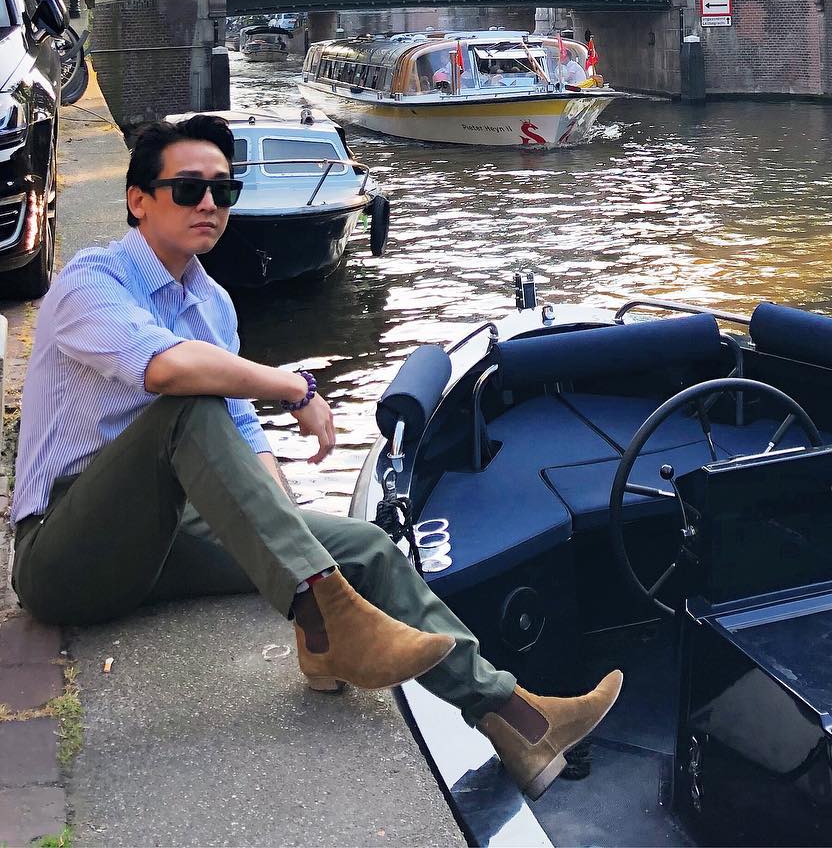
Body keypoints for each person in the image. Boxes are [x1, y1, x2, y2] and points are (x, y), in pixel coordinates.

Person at [10, 114, 622, 801]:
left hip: (159, 539)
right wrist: (295, 386)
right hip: (63, 554)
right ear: (138, 200)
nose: (209, 204)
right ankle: (330, 623)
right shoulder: (90, 282)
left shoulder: (211, 303)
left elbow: (242, 432)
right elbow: (168, 373)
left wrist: (291, 536)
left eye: (223, 190)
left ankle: (517, 719)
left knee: (364, 547)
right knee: (188, 406)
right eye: (188, 189)